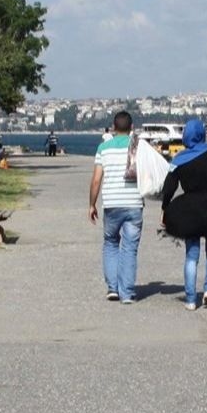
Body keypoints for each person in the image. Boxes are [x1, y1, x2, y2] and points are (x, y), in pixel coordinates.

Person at [160, 117, 207, 310]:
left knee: (192, 256)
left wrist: (165, 209)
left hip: (190, 211)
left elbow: (168, 189)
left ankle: (191, 299)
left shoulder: (179, 159)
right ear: (201, 134)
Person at [88, 110, 145, 303]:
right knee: (129, 248)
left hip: (111, 204)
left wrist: (92, 204)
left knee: (111, 243)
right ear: (132, 128)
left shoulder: (103, 148)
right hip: (134, 203)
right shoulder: (138, 147)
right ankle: (127, 292)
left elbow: (96, 180)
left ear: (113, 128)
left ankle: (113, 288)